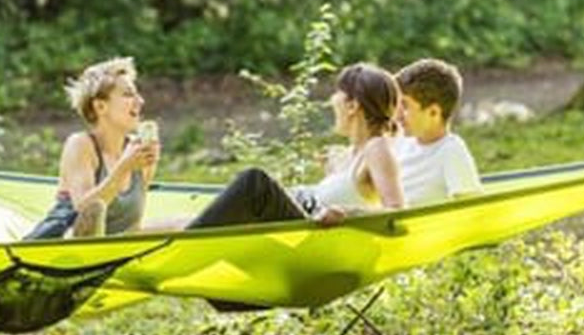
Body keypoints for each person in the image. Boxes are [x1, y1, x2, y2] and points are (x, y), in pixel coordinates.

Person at [186, 62, 403, 230]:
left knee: (255, 182)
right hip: (299, 212)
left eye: (338, 93)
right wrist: (335, 171)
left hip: (305, 236)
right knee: (189, 220)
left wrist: (347, 214)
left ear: (353, 105)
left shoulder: (377, 148)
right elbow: (353, 190)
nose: (332, 99)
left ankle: (182, 250)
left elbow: (396, 213)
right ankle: (165, 242)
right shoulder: (353, 154)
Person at [24, 57, 159, 239]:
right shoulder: (81, 145)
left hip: (114, 246)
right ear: (100, 106)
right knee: (94, 213)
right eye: (128, 94)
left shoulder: (138, 152)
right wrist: (124, 168)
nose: (140, 101)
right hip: (65, 246)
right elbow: (85, 210)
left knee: (185, 224)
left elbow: (134, 223)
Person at [393, 58, 481, 204]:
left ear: (433, 112)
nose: (397, 115)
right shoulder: (400, 143)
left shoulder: (451, 151)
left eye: (405, 106)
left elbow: (470, 210)